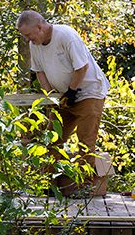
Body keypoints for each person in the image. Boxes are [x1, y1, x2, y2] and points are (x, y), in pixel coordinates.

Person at [16, 10, 110, 196]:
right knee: (52, 138)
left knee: (85, 142)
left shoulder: (66, 36)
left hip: (89, 93)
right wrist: (51, 95)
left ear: (40, 27)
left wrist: (72, 91)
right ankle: (46, 185)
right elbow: (39, 71)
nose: (27, 39)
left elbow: (82, 67)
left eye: (28, 34)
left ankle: (86, 188)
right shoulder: (35, 44)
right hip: (62, 96)